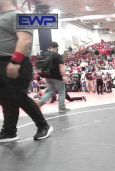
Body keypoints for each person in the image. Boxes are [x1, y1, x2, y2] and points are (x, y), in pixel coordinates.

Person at [0, 0, 52, 142]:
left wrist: (15, 62)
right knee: (5, 99)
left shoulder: (20, 16)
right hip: (2, 63)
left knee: (18, 96)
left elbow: (25, 40)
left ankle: (43, 126)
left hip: (16, 61)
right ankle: (9, 131)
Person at [37, 42, 71, 113]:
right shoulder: (58, 56)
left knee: (51, 91)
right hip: (57, 77)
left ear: (50, 47)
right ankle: (62, 107)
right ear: (57, 47)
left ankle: (40, 102)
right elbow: (61, 67)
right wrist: (64, 76)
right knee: (61, 92)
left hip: (47, 76)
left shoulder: (45, 54)